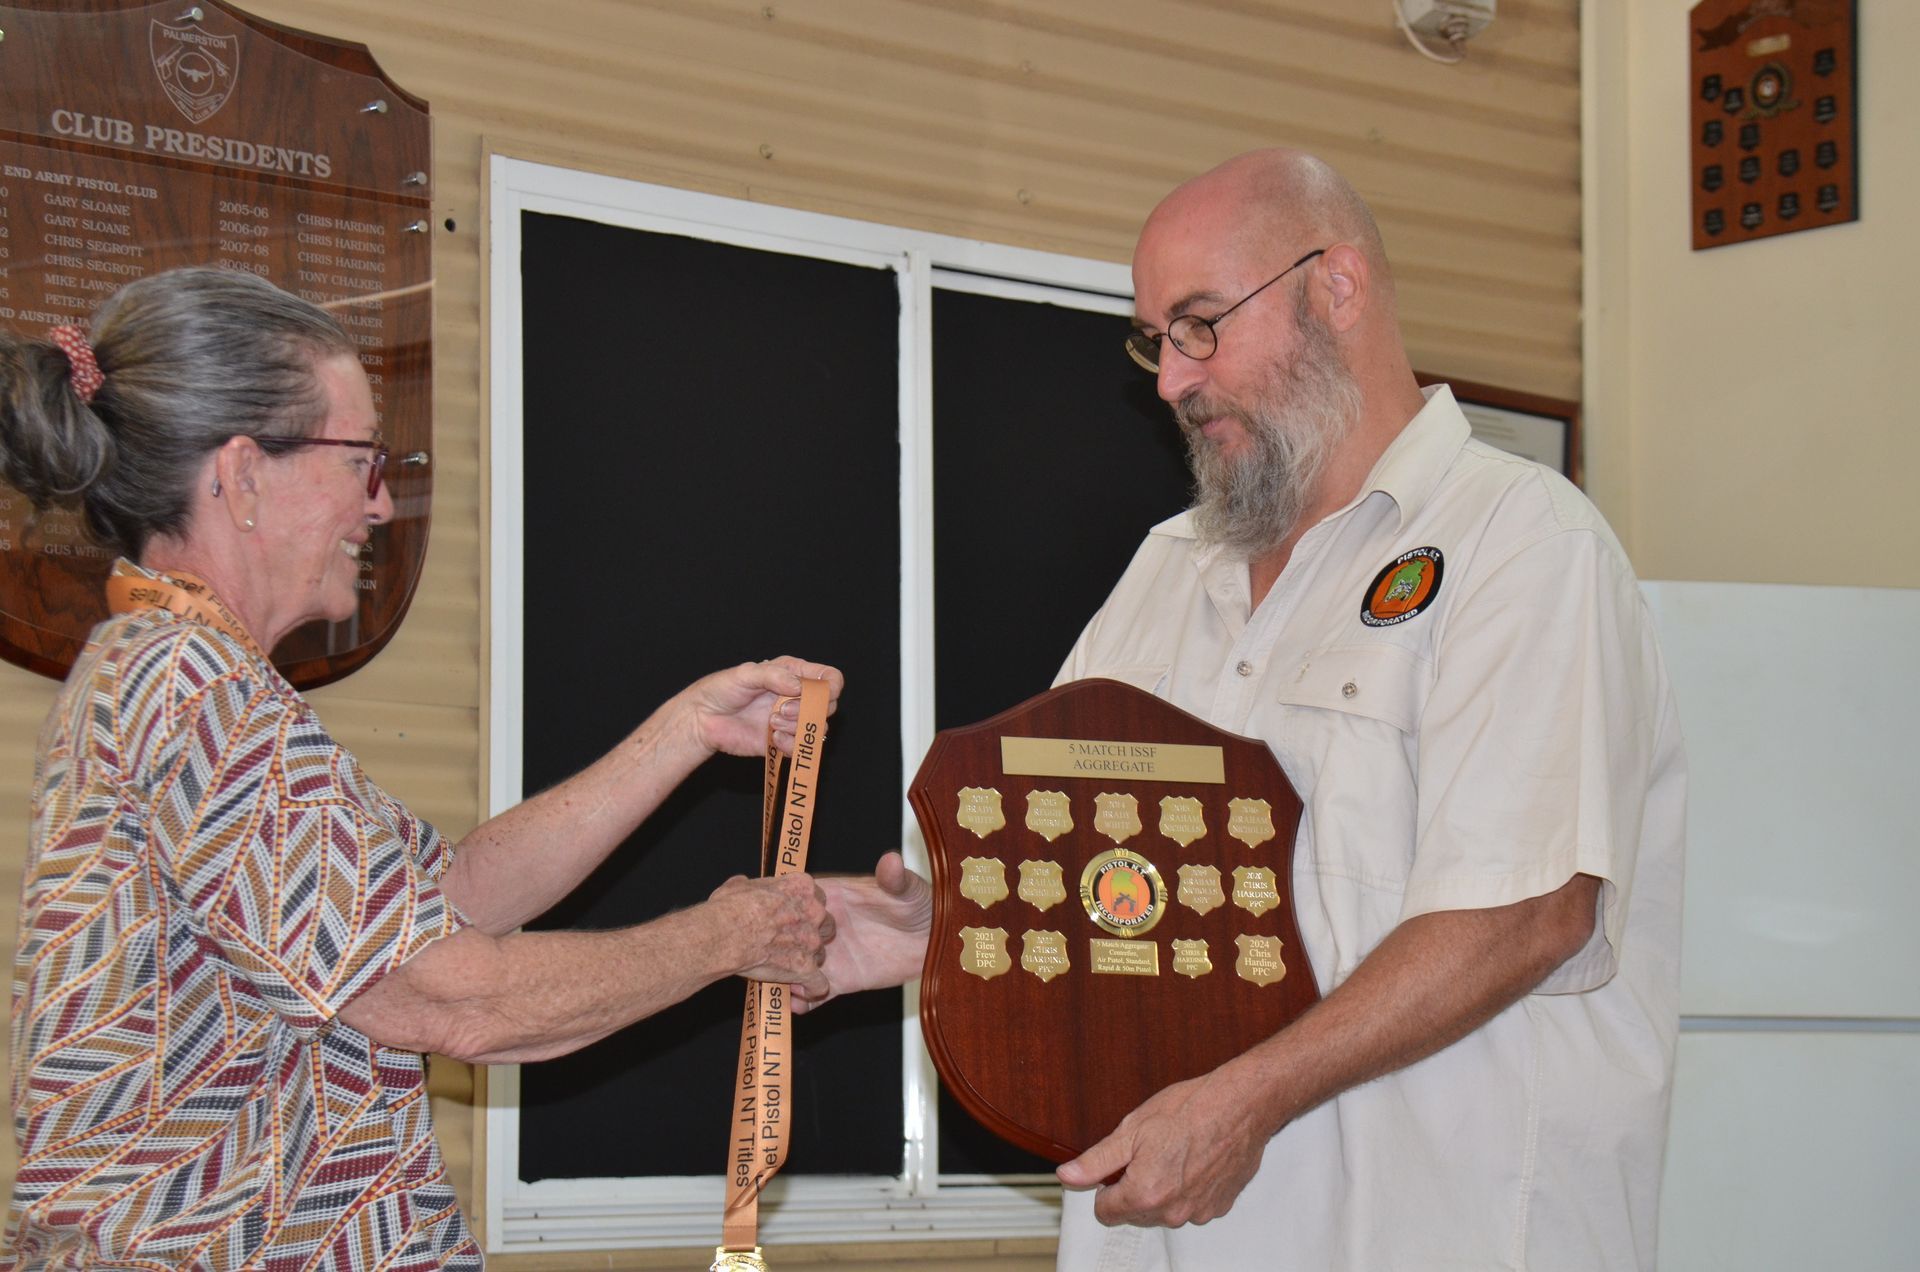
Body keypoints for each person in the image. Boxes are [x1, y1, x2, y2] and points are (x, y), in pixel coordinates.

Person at [0, 267, 923, 1270]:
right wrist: (726, 935)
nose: (384, 504)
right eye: (361, 459)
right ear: (241, 475)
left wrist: (687, 730)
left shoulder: (189, 679)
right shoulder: (187, 686)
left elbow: (450, 898)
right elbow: (454, 997)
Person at [1045, 150, 1686, 1269]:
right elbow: (1071, 859)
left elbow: (1527, 912)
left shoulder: (1522, 542)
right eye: (1156, 339)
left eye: (1201, 324)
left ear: (1335, 289)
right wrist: (932, 928)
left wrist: (1243, 1100)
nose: (1172, 381)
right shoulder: (1164, 571)